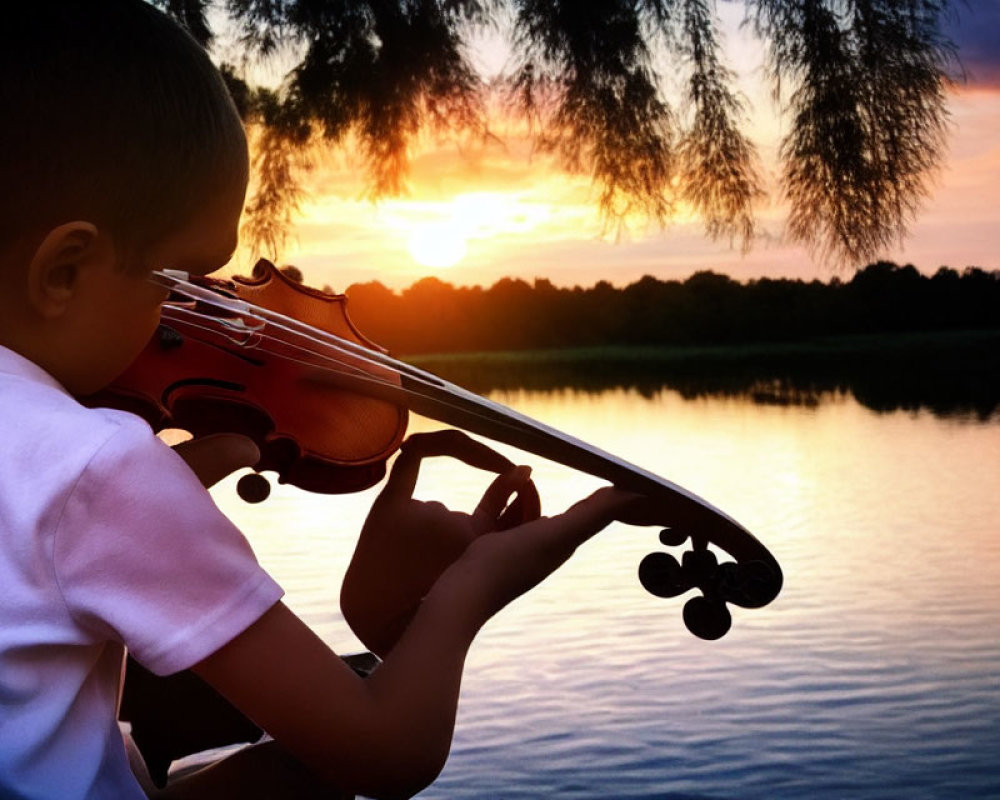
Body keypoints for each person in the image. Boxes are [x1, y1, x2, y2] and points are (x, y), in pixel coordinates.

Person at [0, 2, 648, 798]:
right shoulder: (96, 468)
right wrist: (465, 591)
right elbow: (386, 752)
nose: (206, 313)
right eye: (185, 278)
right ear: (63, 271)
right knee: (297, 781)